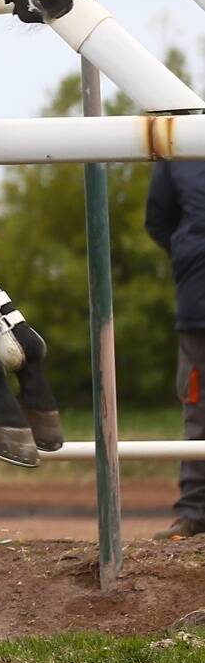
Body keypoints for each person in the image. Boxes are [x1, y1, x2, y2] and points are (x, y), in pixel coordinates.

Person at [142, 159, 205, 541]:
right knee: (199, 413)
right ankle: (194, 514)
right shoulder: (180, 145)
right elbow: (159, 222)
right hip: (199, 304)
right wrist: (191, 252)